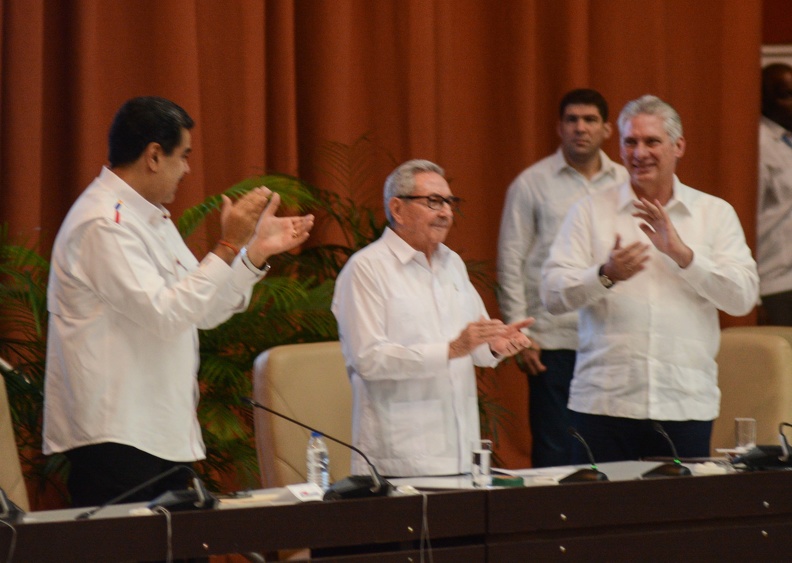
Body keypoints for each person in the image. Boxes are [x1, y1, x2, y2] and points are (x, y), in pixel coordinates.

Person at [43, 96, 314, 508]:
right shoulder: (103, 223)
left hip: (162, 431)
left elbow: (200, 312)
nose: (187, 169)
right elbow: (166, 314)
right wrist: (226, 245)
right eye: (183, 156)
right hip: (117, 436)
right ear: (154, 155)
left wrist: (253, 253)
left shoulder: (151, 218)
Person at [541, 95, 758, 463]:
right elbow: (552, 295)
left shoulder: (714, 213)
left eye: (652, 141)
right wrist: (605, 275)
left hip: (684, 404)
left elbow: (742, 298)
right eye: (630, 142)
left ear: (679, 146)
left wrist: (683, 255)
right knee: (598, 518)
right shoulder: (590, 211)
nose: (639, 152)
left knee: (677, 519)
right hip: (604, 403)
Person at [332, 159, 533, 477]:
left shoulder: (452, 263)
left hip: (461, 454)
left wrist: (496, 344)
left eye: (450, 202)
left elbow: (474, 342)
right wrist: (450, 350)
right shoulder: (366, 269)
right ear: (397, 209)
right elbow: (367, 359)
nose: (446, 213)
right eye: (434, 202)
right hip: (398, 462)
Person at [497, 88, 628, 468]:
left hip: (611, 335)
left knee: (606, 448)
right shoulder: (531, 183)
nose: (580, 128)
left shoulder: (626, 182)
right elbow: (511, 260)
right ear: (559, 127)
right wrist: (519, 335)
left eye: (589, 120)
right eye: (572, 120)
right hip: (552, 338)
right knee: (555, 447)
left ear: (606, 129)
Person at [758, 63, 792, 325]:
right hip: (774, 281)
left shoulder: (786, 138)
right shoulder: (758, 142)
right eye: (785, 95)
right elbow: (750, 216)